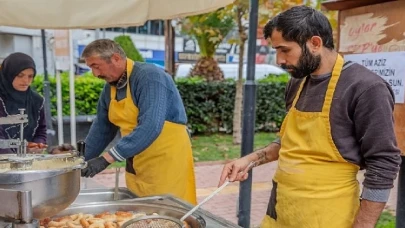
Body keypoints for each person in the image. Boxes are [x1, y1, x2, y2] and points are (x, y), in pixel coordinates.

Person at [218, 5, 401, 228]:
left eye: (285, 50)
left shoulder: (366, 88)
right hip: (280, 213)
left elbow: (384, 162)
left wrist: (363, 225)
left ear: (315, 43)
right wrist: (249, 160)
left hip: (328, 217)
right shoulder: (297, 81)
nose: (279, 60)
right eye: (276, 50)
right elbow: (289, 143)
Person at [79, 39, 197, 205]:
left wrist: (106, 159)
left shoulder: (149, 77)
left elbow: (151, 126)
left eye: (96, 66)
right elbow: (102, 129)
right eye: (91, 67)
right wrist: (78, 161)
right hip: (137, 158)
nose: (95, 74)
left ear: (115, 58)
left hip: (166, 157)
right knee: (141, 209)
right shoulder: (110, 88)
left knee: (169, 211)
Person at [0, 52, 47, 154]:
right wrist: (13, 159)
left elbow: (41, 130)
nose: (26, 81)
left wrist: (37, 145)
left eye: (30, 76)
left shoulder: (36, 101)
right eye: (20, 75)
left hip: (26, 162)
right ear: (9, 74)